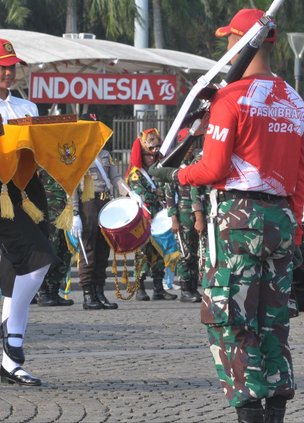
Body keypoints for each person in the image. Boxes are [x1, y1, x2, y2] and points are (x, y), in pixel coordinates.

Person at [149, 9, 304, 422]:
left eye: (229, 39)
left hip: (238, 220)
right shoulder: (293, 98)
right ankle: (275, 411)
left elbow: (214, 169)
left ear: (241, 41)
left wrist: (177, 173)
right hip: (282, 221)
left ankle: (249, 411)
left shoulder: (230, 97)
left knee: (229, 320)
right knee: (273, 324)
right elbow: (301, 176)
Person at [0, 37, 57, 386]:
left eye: (12, 65)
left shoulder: (28, 106)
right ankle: (12, 329)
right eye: (1, 66)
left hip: (30, 191)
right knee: (39, 259)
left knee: (17, 269)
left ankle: (10, 365)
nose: (8, 71)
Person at [71, 131, 129, 310]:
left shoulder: (105, 154)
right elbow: (72, 184)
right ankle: (88, 294)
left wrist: (128, 192)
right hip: (88, 202)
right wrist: (74, 213)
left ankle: (99, 291)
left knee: (103, 248)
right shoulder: (77, 153)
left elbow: (115, 177)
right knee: (89, 248)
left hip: (105, 202)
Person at [126, 128, 178, 302]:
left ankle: (158, 289)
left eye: (154, 156)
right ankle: (140, 288)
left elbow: (166, 188)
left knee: (158, 253)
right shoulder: (136, 174)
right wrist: (158, 195)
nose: (151, 158)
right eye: (148, 155)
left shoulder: (157, 171)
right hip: (143, 218)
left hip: (159, 218)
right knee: (142, 254)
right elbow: (141, 193)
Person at [164, 143, 202, 303]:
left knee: (195, 253)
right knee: (185, 254)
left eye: (191, 148)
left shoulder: (197, 163)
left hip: (197, 212)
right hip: (183, 212)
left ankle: (193, 287)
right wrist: (173, 218)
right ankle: (185, 289)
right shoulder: (175, 167)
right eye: (187, 148)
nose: (190, 150)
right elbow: (169, 195)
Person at [36, 169, 74, 307]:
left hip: (66, 209)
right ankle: (43, 292)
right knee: (50, 249)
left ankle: (54, 290)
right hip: (48, 209)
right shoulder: (42, 158)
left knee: (65, 251)